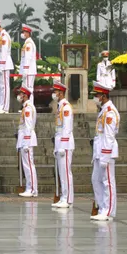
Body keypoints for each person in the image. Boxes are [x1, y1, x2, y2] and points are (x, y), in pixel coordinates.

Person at [90, 81, 120, 221]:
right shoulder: (103, 111)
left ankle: (108, 211)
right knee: (96, 180)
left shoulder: (110, 112)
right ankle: (102, 207)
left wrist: (105, 156)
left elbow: (109, 135)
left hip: (106, 152)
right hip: (99, 151)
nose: (95, 98)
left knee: (107, 181)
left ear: (103, 96)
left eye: (96, 95)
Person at [52, 81, 74, 209]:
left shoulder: (66, 107)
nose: (53, 94)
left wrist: (63, 145)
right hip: (60, 142)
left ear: (61, 93)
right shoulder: (60, 106)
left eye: (55, 92)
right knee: (62, 172)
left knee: (66, 172)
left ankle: (68, 198)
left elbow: (67, 127)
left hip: (65, 144)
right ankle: (63, 196)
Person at [16, 85, 37, 197]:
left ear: (24, 95)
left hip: (27, 140)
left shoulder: (28, 108)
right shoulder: (26, 107)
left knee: (29, 165)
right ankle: (30, 187)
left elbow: (28, 126)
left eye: (20, 94)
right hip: (24, 139)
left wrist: (26, 142)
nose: (19, 96)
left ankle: (32, 189)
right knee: (27, 165)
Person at [0, 22, 14, 113]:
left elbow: (4, 51)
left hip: (5, 64)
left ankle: (5, 108)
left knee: (5, 86)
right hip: (0, 63)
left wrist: (2, 64)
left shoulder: (4, 36)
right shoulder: (1, 36)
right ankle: (1, 105)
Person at [19, 24, 36, 92]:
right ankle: (28, 103)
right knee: (27, 90)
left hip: (29, 71)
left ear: (28, 33)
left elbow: (27, 58)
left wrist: (25, 70)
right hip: (28, 70)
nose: (23, 34)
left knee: (28, 90)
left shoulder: (29, 44)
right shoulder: (27, 43)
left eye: (24, 32)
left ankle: (29, 103)